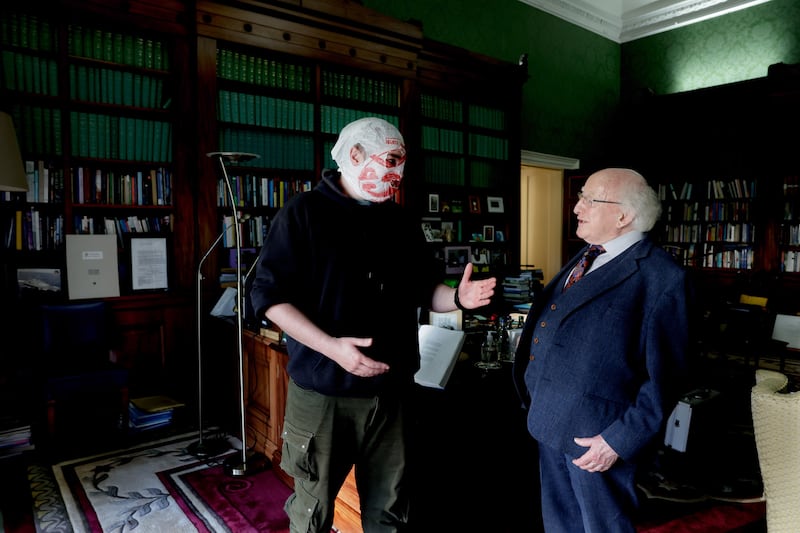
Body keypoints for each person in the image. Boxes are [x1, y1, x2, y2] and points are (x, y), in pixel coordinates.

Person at [250, 116, 496, 533]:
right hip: (325, 391)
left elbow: (425, 289)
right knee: (313, 512)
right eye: (391, 161)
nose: (398, 174)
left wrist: (457, 298)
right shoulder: (302, 213)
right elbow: (270, 299)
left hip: (394, 393)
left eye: (403, 163)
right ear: (355, 155)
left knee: (391, 511)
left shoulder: (400, 221)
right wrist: (333, 348)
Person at [512, 168, 692, 532]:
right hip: (551, 423)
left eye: (588, 199)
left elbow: (668, 378)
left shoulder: (663, 278)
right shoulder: (586, 256)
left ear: (623, 215)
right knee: (560, 526)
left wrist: (617, 441)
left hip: (600, 441)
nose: (577, 207)